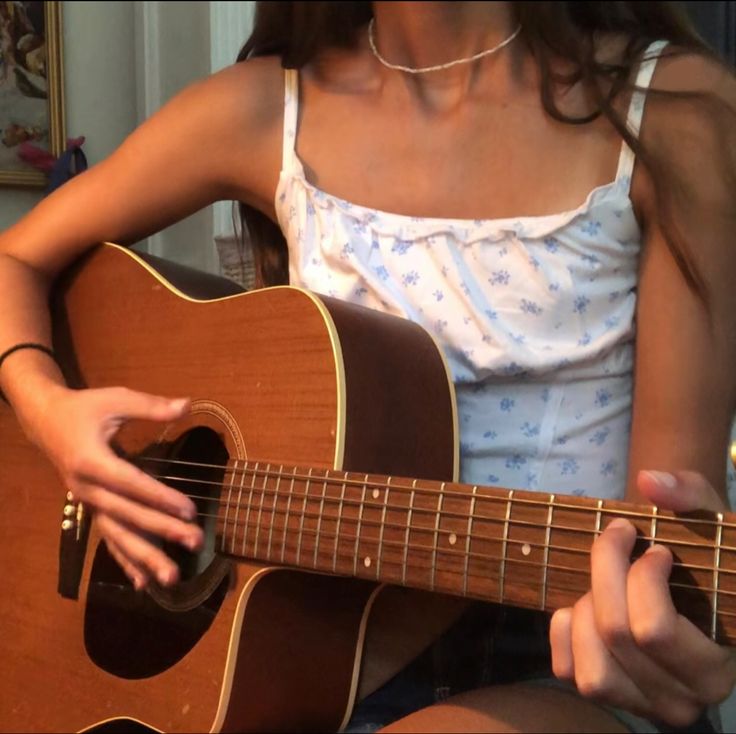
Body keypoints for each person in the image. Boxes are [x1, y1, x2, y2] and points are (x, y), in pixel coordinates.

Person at [0, 2, 735, 732]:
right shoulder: (267, 106)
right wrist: (50, 415)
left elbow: (666, 533)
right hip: (305, 645)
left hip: (560, 656)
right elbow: (14, 257)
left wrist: (668, 635)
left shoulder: (673, 109)